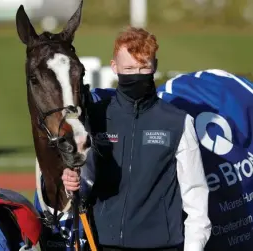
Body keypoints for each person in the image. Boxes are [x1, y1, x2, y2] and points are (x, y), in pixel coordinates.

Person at [61, 26, 212, 251]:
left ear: (155, 67)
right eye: (129, 68)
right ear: (114, 67)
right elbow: (86, 181)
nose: (136, 75)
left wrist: (194, 247)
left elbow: (196, 193)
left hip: (162, 245)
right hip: (102, 242)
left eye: (144, 68)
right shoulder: (96, 116)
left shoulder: (177, 122)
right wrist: (73, 183)